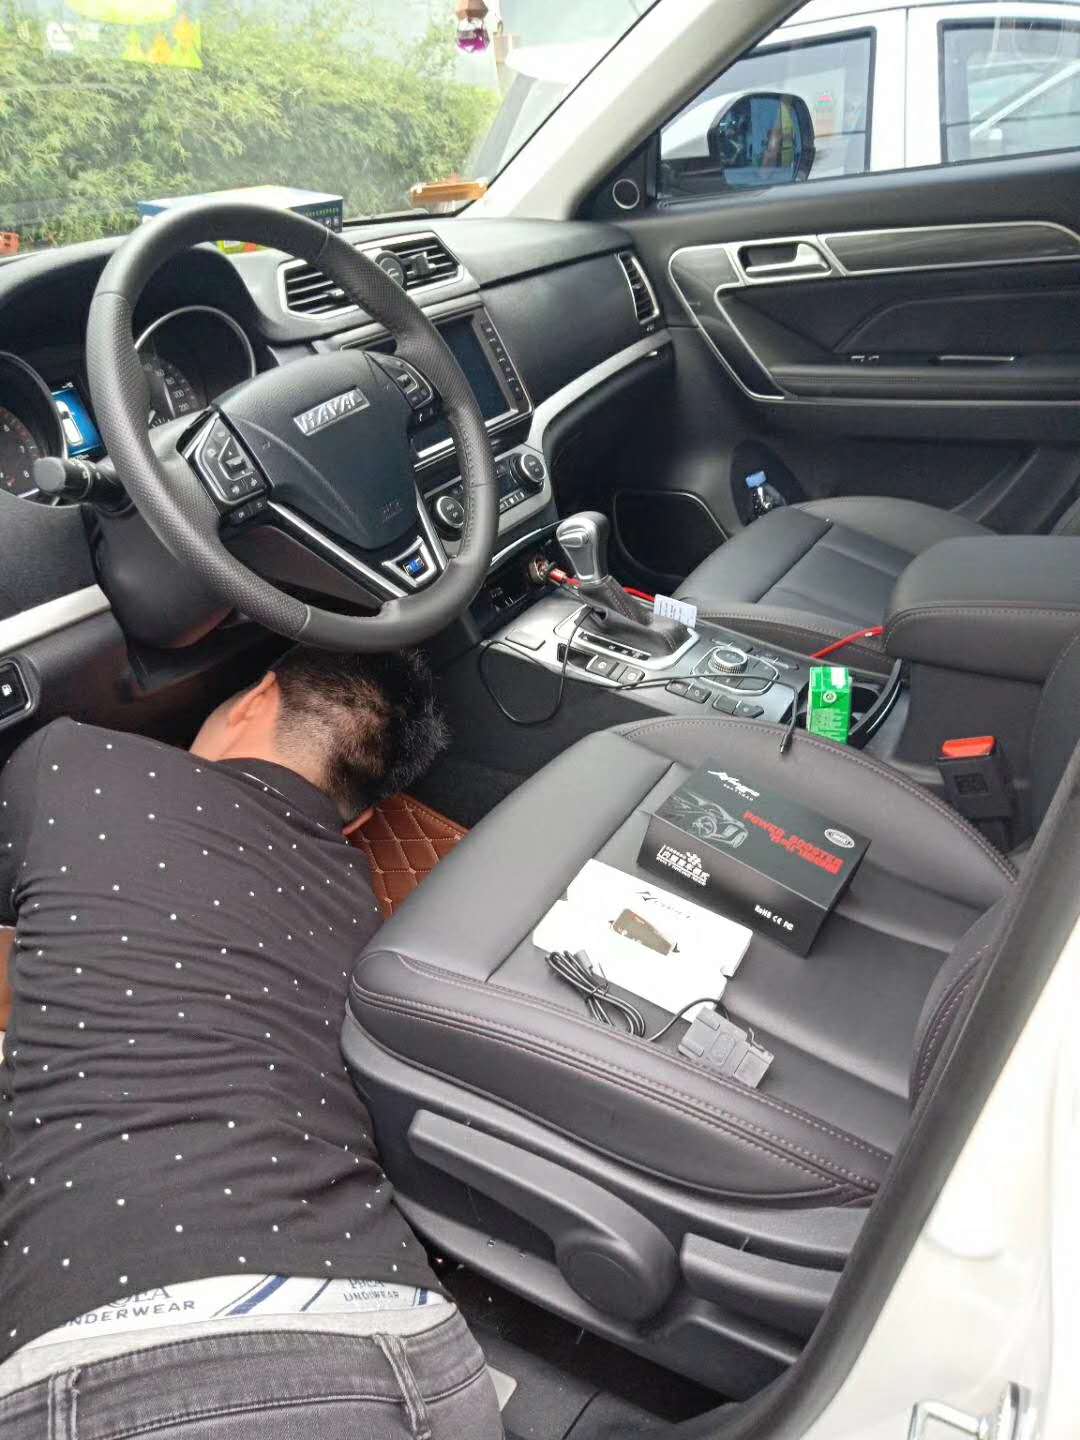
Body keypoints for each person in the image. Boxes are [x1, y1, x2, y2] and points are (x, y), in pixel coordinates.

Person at [0, 647, 504, 1438]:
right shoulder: (363, 907)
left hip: (146, 1363)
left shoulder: (70, 761)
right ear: (358, 821)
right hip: (424, 1349)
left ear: (255, 696)